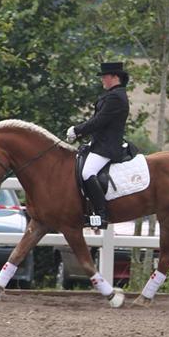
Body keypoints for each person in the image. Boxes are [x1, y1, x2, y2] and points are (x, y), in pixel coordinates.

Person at [66, 60, 130, 230]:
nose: (102, 80)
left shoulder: (117, 97)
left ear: (115, 77)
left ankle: (101, 215)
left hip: (107, 147)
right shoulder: (112, 95)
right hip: (98, 144)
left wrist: (77, 130)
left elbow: (99, 121)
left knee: (87, 173)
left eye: (105, 77)